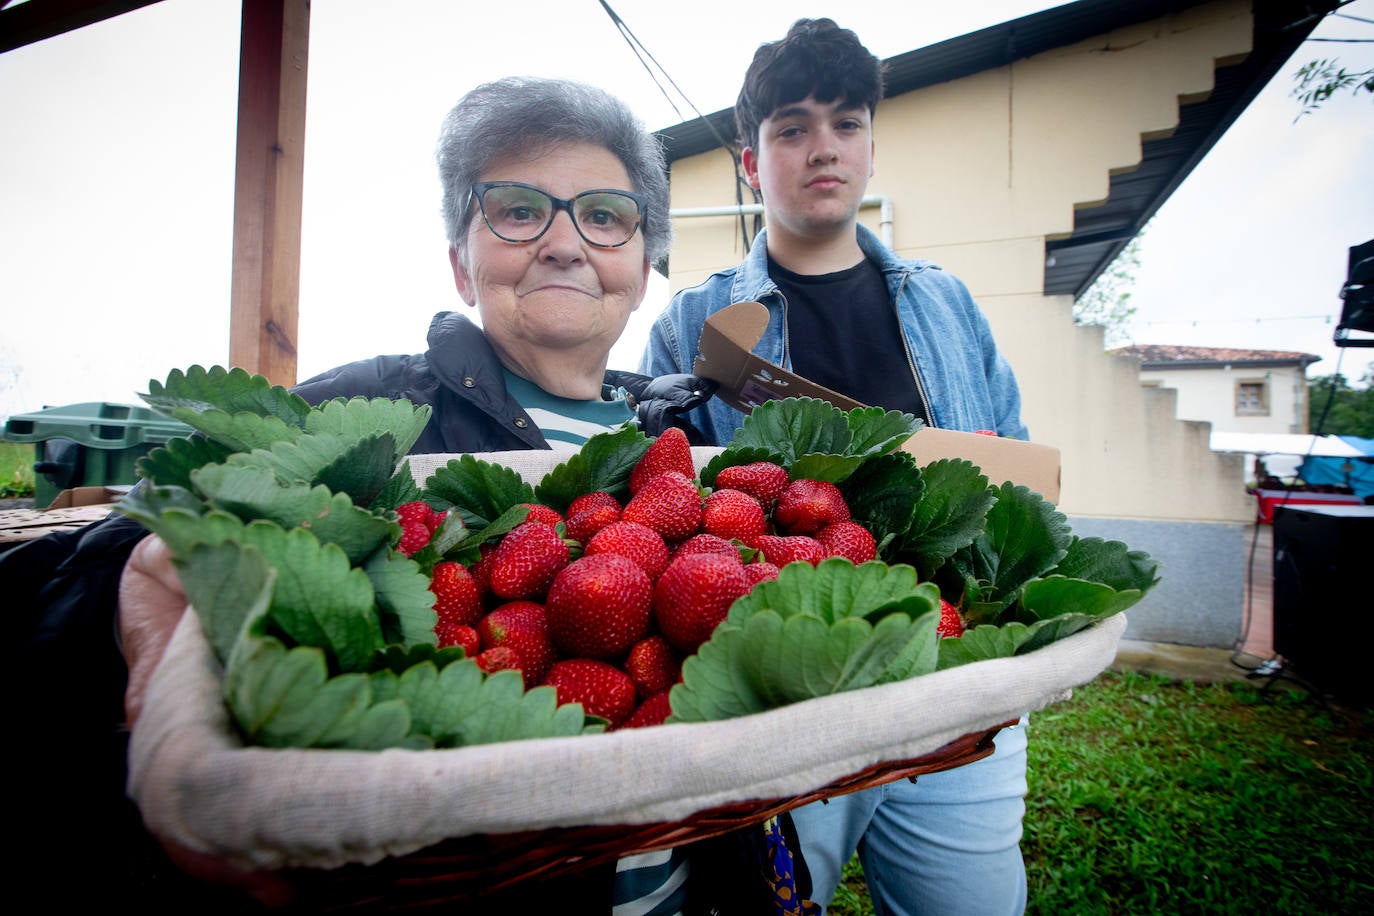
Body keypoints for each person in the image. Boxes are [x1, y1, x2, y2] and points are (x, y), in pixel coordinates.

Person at [4, 76, 755, 913]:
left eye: (605, 215)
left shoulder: (679, 443)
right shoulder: (366, 417)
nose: (564, 241)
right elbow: (81, 570)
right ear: (461, 266)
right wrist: (127, 586)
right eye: (515, 209)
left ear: (644, 264)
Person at [639, 19, 1031, 916]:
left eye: (846, 123)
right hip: (786, 702)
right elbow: (670, 502)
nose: (824, 149)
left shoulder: (946, 303)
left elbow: (1010, 464)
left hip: (953, 685)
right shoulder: (698, 325)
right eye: (792, 128)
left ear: (871, 146)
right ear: (750, 161)